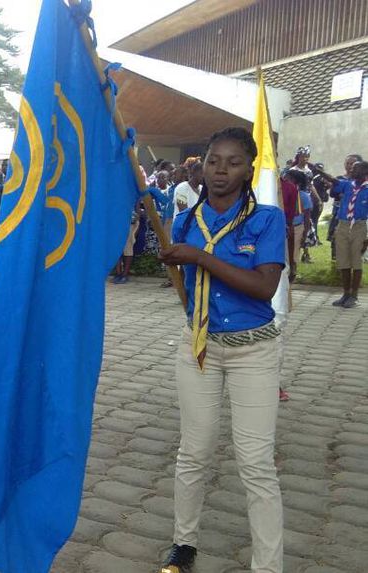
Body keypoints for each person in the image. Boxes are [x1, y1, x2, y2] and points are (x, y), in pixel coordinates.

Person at [157, 127, 285, 573]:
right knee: (193, 451)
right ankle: (184, 545)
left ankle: (268, 566)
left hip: (254, 351)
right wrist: (179, 259)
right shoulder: (185, 221)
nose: (220, 171)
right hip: (199, 348)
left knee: (255, 463)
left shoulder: (266, 219)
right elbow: (188, 289)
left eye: (233, 162)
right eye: (213, 161)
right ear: (202, 165)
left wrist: (200, 258)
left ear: (249, 168)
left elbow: (264, 288)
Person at [330, 161, 368, 308]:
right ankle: (345, 293)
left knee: (356, 261)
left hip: (359, 226)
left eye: (355, 168)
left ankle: (354, 295)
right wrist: (320, 172)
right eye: (351, 168)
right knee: (343, 261)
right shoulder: (347, 185)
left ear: (365, 171)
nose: (351, 170)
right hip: (343, 225)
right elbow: (334, 182)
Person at [112, 199, 143, 284]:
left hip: (130, 223)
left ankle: (125, 274)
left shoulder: (133, 194)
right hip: (116, 222)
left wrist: (137, 224)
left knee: (128, 249)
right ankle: (118, 273)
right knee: (117, 249)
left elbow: (138, 211)